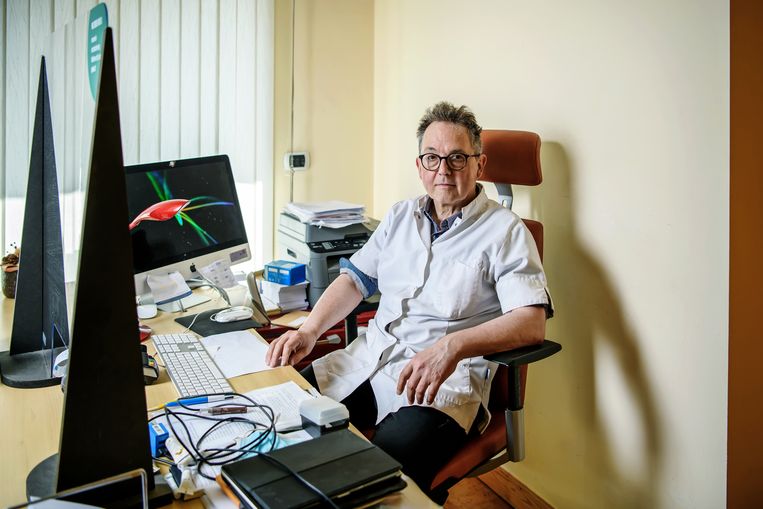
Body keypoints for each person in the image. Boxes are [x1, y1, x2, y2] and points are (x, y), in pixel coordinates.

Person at [266, 101, 553, 497]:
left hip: (440, 388)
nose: (443, 171)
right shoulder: (401, 216)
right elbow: (355, 280)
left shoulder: (505, 232)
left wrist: (452, 346)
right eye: (432, 158)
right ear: (419, 166)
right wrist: (310, 330)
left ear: (479, 166)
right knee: (278, 417)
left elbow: (531, 323)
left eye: (456, 158)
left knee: (373, 481)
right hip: (368, 361)